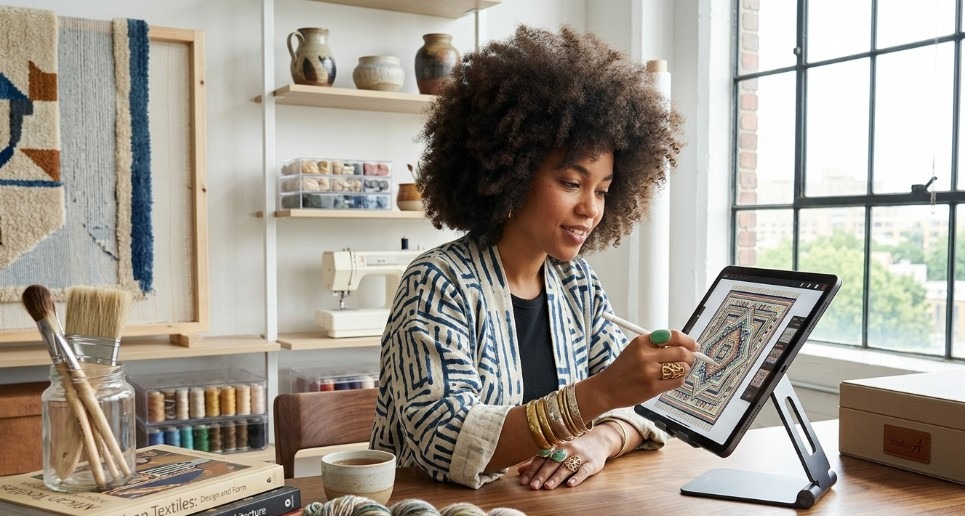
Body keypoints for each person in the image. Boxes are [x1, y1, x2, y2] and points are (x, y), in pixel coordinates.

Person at [369, 24, 693, 490]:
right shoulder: (438, 283)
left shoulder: (577, 284)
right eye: (570, 183)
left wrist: (599, 442)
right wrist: (600, 393)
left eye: (602, 191)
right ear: (512, 173)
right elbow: (443, 439)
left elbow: (638, 409)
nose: (590, 209)